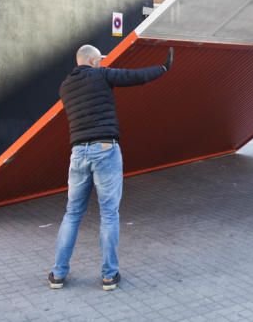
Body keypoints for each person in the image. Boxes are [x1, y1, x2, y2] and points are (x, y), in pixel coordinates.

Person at [49, 44, 174, 291]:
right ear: (94, 61)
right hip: (105, 149)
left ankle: (58, 274)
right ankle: (109, 275)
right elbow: (134, 76)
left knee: (72, 213)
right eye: (100, 60)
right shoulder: (101, 74)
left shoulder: (65, 86)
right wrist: (163, 68)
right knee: (108, 214)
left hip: (78, 153)